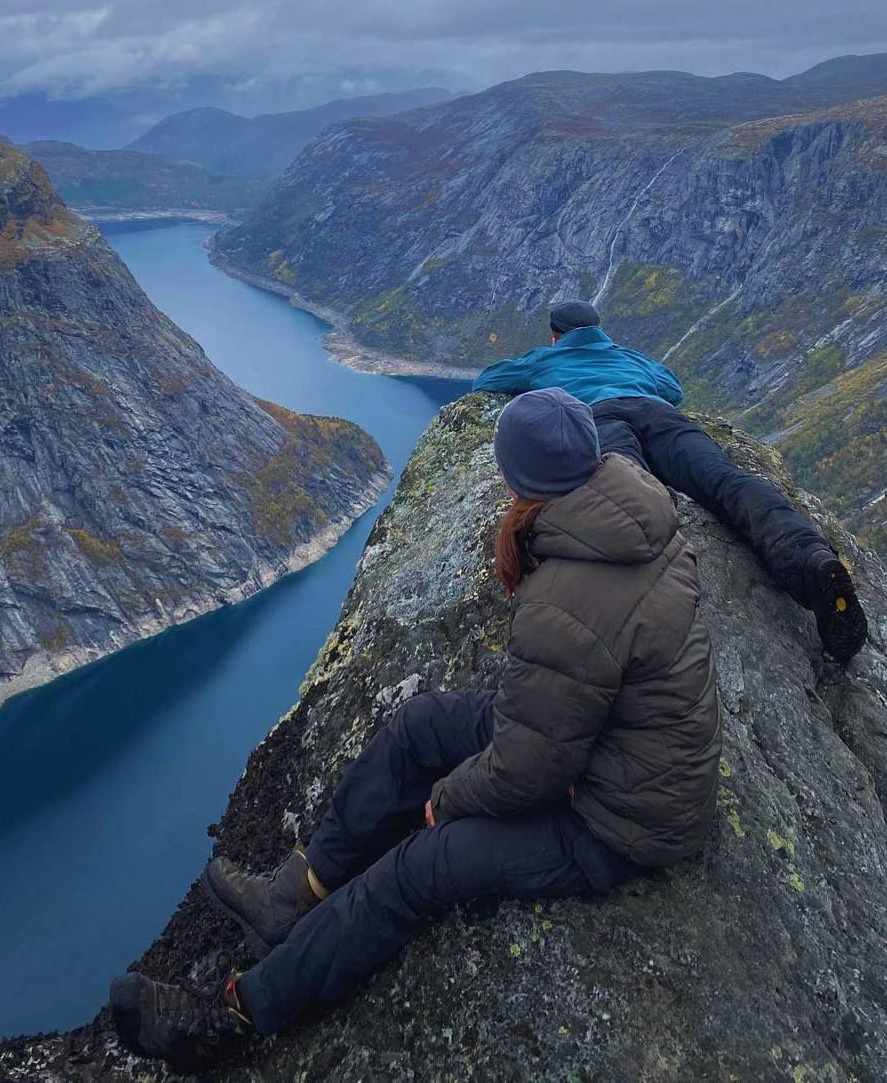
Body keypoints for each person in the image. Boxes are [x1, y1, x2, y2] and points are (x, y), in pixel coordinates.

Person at [109, 388, 721, 1071]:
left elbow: (533, 769)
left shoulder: (568, 599)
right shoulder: (636, 516)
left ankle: (233, 1017)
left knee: (418, 867)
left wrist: (449, 800)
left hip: (621, 823)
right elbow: (555, 718)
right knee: (423, 723)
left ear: (521, 479)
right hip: (612, 752)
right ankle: (295, 895)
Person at [473, 300, 868, 663]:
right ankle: (810, 559)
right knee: (724, 480)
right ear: (601, 331)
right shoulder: (629, 357)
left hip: (601, 420)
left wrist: (542, 373)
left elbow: (487, 380)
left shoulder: (545, 358)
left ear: (555, 336)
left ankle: (654, 605)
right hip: (660, 415)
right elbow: (672, 389)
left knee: (629, 497)